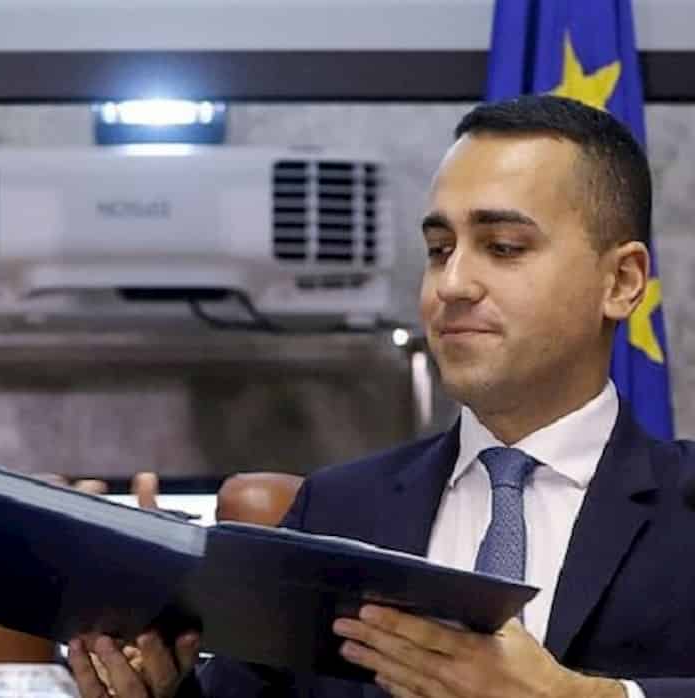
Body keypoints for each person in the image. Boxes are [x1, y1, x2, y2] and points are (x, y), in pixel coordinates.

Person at [69, 95, 695, 698]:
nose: (452, 284)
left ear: (621, 281)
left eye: (503, 247)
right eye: (439, 250)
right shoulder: (335, 512)